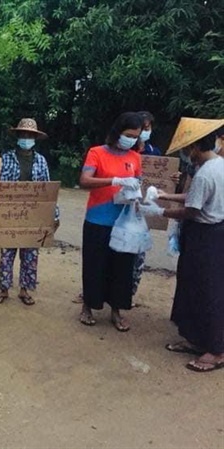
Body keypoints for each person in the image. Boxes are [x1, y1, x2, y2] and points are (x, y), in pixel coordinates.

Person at [140, 130, 224, 372]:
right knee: (194, 286)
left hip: (205, 234)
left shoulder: (206, 173)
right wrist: (170, 196)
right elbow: (195, 196)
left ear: (196, 147)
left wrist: (160, 211)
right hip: (212, 233)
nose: (186, 155)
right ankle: (198, 338)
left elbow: (193, 210)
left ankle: (216, 350)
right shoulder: (218, 164)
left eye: (187, 150)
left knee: (208, 290)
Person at [79, 112, 143, 331]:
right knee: (95, 264)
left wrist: (139, 193)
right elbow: (85, 180)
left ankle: (116, 310)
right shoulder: (97, 152)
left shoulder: (135, 157)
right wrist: (113, 180)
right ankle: (88, 306)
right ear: (118, 132)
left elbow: (138, 181)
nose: (132, 139)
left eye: (136, 136)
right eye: (128, 134)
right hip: (98, 219)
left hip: (124, 222)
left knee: (121, 267)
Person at [0, 118, 59, 305]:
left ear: (35, 138)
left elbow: (47, 189)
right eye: (23, 134)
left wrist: (54, 215)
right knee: (7, 252)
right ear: (18, 136)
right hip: (9, 213)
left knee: (30, 253)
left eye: (30, 135)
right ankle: (4, 289)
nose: (26, 138)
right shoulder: (6, 158)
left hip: (33, 214)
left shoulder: (41, 161)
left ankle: (24, 290)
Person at [131, 111, 161, 301]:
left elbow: (161, 183)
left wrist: (173, 179)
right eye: (141, 128)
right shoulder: (124, 151)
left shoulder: (155, 154)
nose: (144, 131)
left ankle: (129, 295)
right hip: (123, 211)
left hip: (143, 215)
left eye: (147, 128)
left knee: (138, 257)